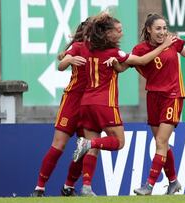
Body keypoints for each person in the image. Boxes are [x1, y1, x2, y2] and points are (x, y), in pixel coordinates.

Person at [70, 14, 177, 196]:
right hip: (105, 104)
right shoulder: (115, 53)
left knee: (94, 148)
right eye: (118, 31)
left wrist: (65, 59)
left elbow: (63, 57)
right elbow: (142, 61)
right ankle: (88, 143)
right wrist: (165, 46)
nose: (121, 34)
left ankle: (86, 186)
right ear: (107, 34)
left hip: (86, 103)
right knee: (118, 142)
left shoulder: (85, 48)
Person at [117, 13, 185, 195]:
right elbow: (124, 66)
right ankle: (173, 182)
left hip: (173, 96)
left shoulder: (174, 42)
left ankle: (149, 185)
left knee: (161, 141)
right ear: (148, 30)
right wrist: (111, 61)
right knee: (161, 143)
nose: (163, 32)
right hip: (153, 97)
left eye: (164, 28)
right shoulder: (140, 49)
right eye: (158, 28)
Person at [31, 18, 89, 197]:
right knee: (59, 145)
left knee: (84, 148)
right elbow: (61, 65)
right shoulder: (78, 46)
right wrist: (69, 58)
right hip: (72, 103)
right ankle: (39, 188)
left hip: (91, 104)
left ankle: (68, 187)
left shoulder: (103, 50)